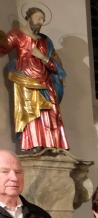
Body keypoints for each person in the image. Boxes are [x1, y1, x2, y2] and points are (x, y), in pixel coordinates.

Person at [0, 7, 68, 151]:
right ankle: (34, 145)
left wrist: (42, 57)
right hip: (25, 80)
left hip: (46, 82)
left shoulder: (45, 42)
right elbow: (3, 47)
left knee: (52, 114)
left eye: (43, 20)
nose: (41, 22)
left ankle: (53, 146)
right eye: (38, 18)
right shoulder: (17, 35)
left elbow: (56, 66)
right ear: (28, 18)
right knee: (32, 114)